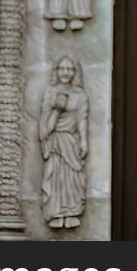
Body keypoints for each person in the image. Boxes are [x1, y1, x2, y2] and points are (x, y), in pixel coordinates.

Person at [39, 56, 89, 229]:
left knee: (72, 178)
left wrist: (83, 141)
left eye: (70, 69)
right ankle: (56, 212)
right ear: (57, 71)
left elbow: (82, 118)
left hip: (71, 140)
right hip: (56, 141)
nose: (66, 73)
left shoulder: (80, 95)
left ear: (75, 72)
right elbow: (46, 125)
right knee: (56, 175)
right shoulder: (51, 93)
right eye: (62, 68)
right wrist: (57, 110)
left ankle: (71, 212)